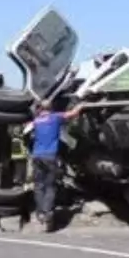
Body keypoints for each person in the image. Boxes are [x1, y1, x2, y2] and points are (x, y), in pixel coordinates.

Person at [29, 99, 84, 231]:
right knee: (50, 185)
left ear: (40, 108)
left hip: (37, 156)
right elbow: (72, 113)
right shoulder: (55, 117)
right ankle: (47, 213)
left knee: (38, 185)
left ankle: (40, 212)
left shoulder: (36, 121)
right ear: (51, 107)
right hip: (49, 156)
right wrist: (82, 105)